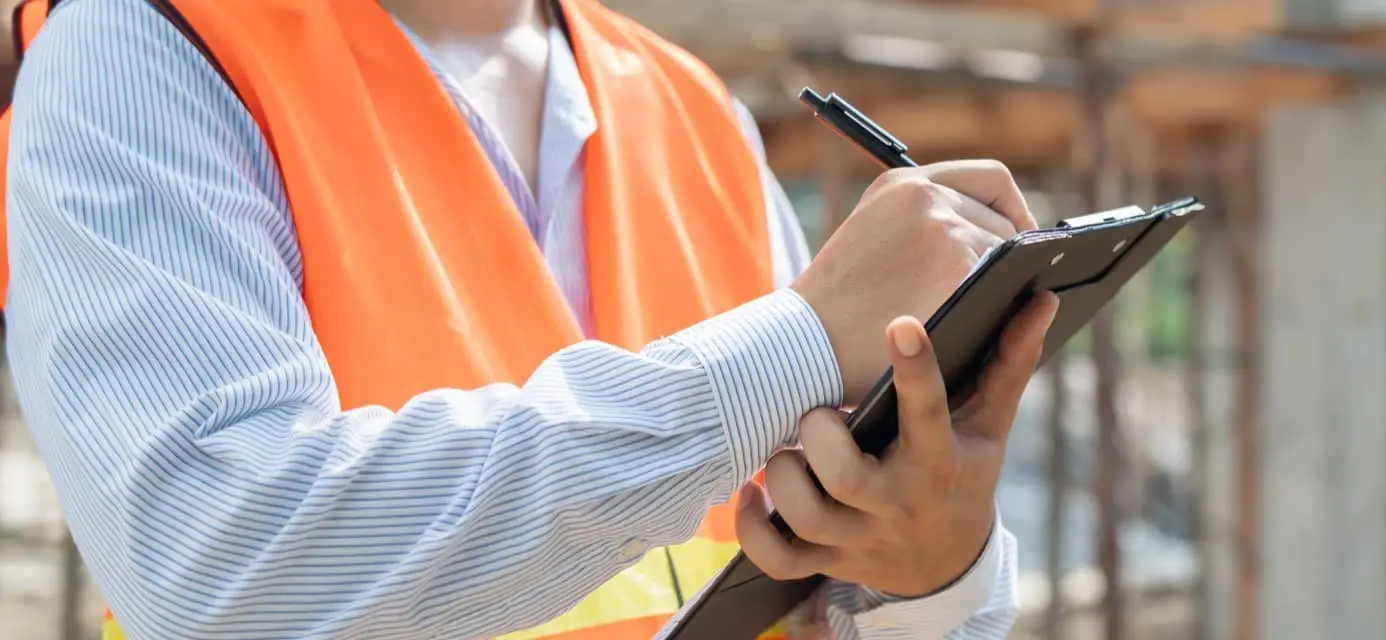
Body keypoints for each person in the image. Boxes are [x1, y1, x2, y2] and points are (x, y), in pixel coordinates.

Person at [0, 0, 1055, 638]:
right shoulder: (141, 53)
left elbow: (820, 589)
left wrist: (932, 574)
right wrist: (794, 345)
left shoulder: (696, 117)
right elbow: (219, 576)